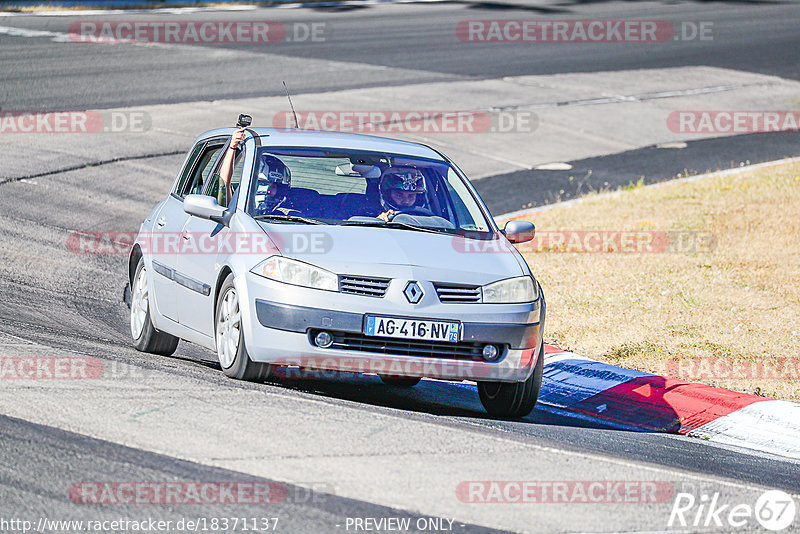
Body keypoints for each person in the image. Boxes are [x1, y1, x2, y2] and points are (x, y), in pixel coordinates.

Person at [217, 126, 246, 208]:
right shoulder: (244, 201)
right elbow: (224, 184)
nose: (266, 190)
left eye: (272, 185)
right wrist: (232, 146)